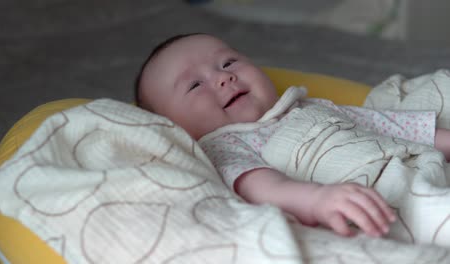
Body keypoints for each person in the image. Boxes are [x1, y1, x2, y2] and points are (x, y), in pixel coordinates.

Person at [134, 33, 450, 240]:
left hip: (412, 167)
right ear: (172, 127)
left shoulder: (305, 107)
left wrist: (443, 140)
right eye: (194, 85)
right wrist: (315, 199)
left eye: (228, 62)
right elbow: (262, 185)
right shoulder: (224, 144)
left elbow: (383, 124)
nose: (223, 77)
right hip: (366, 202)